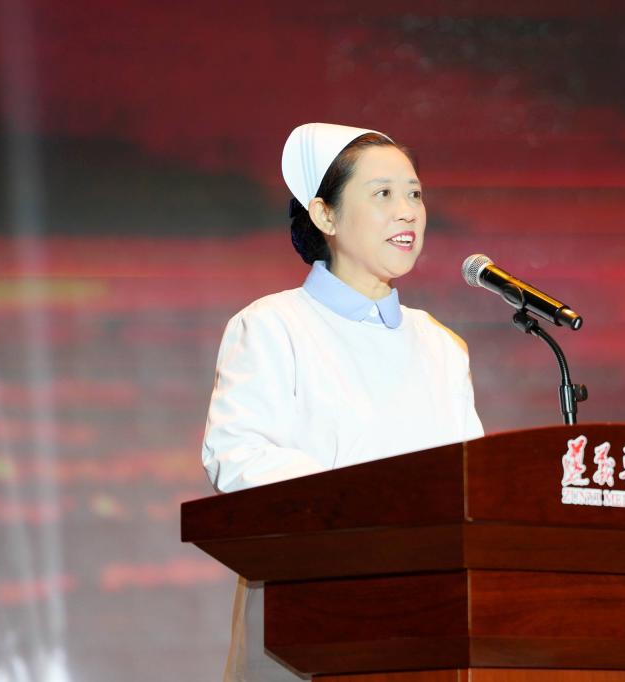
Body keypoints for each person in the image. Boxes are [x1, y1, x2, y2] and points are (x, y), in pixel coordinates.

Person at [201, 123, 484, 680]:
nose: (407, 212)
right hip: (306, 615)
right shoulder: (272, 325)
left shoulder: (442, 345)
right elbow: (236, 459)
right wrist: (373, 505)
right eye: (383, 194)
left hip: (426, 623)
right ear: (324, 215)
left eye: (415, 194)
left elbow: (471, 483)